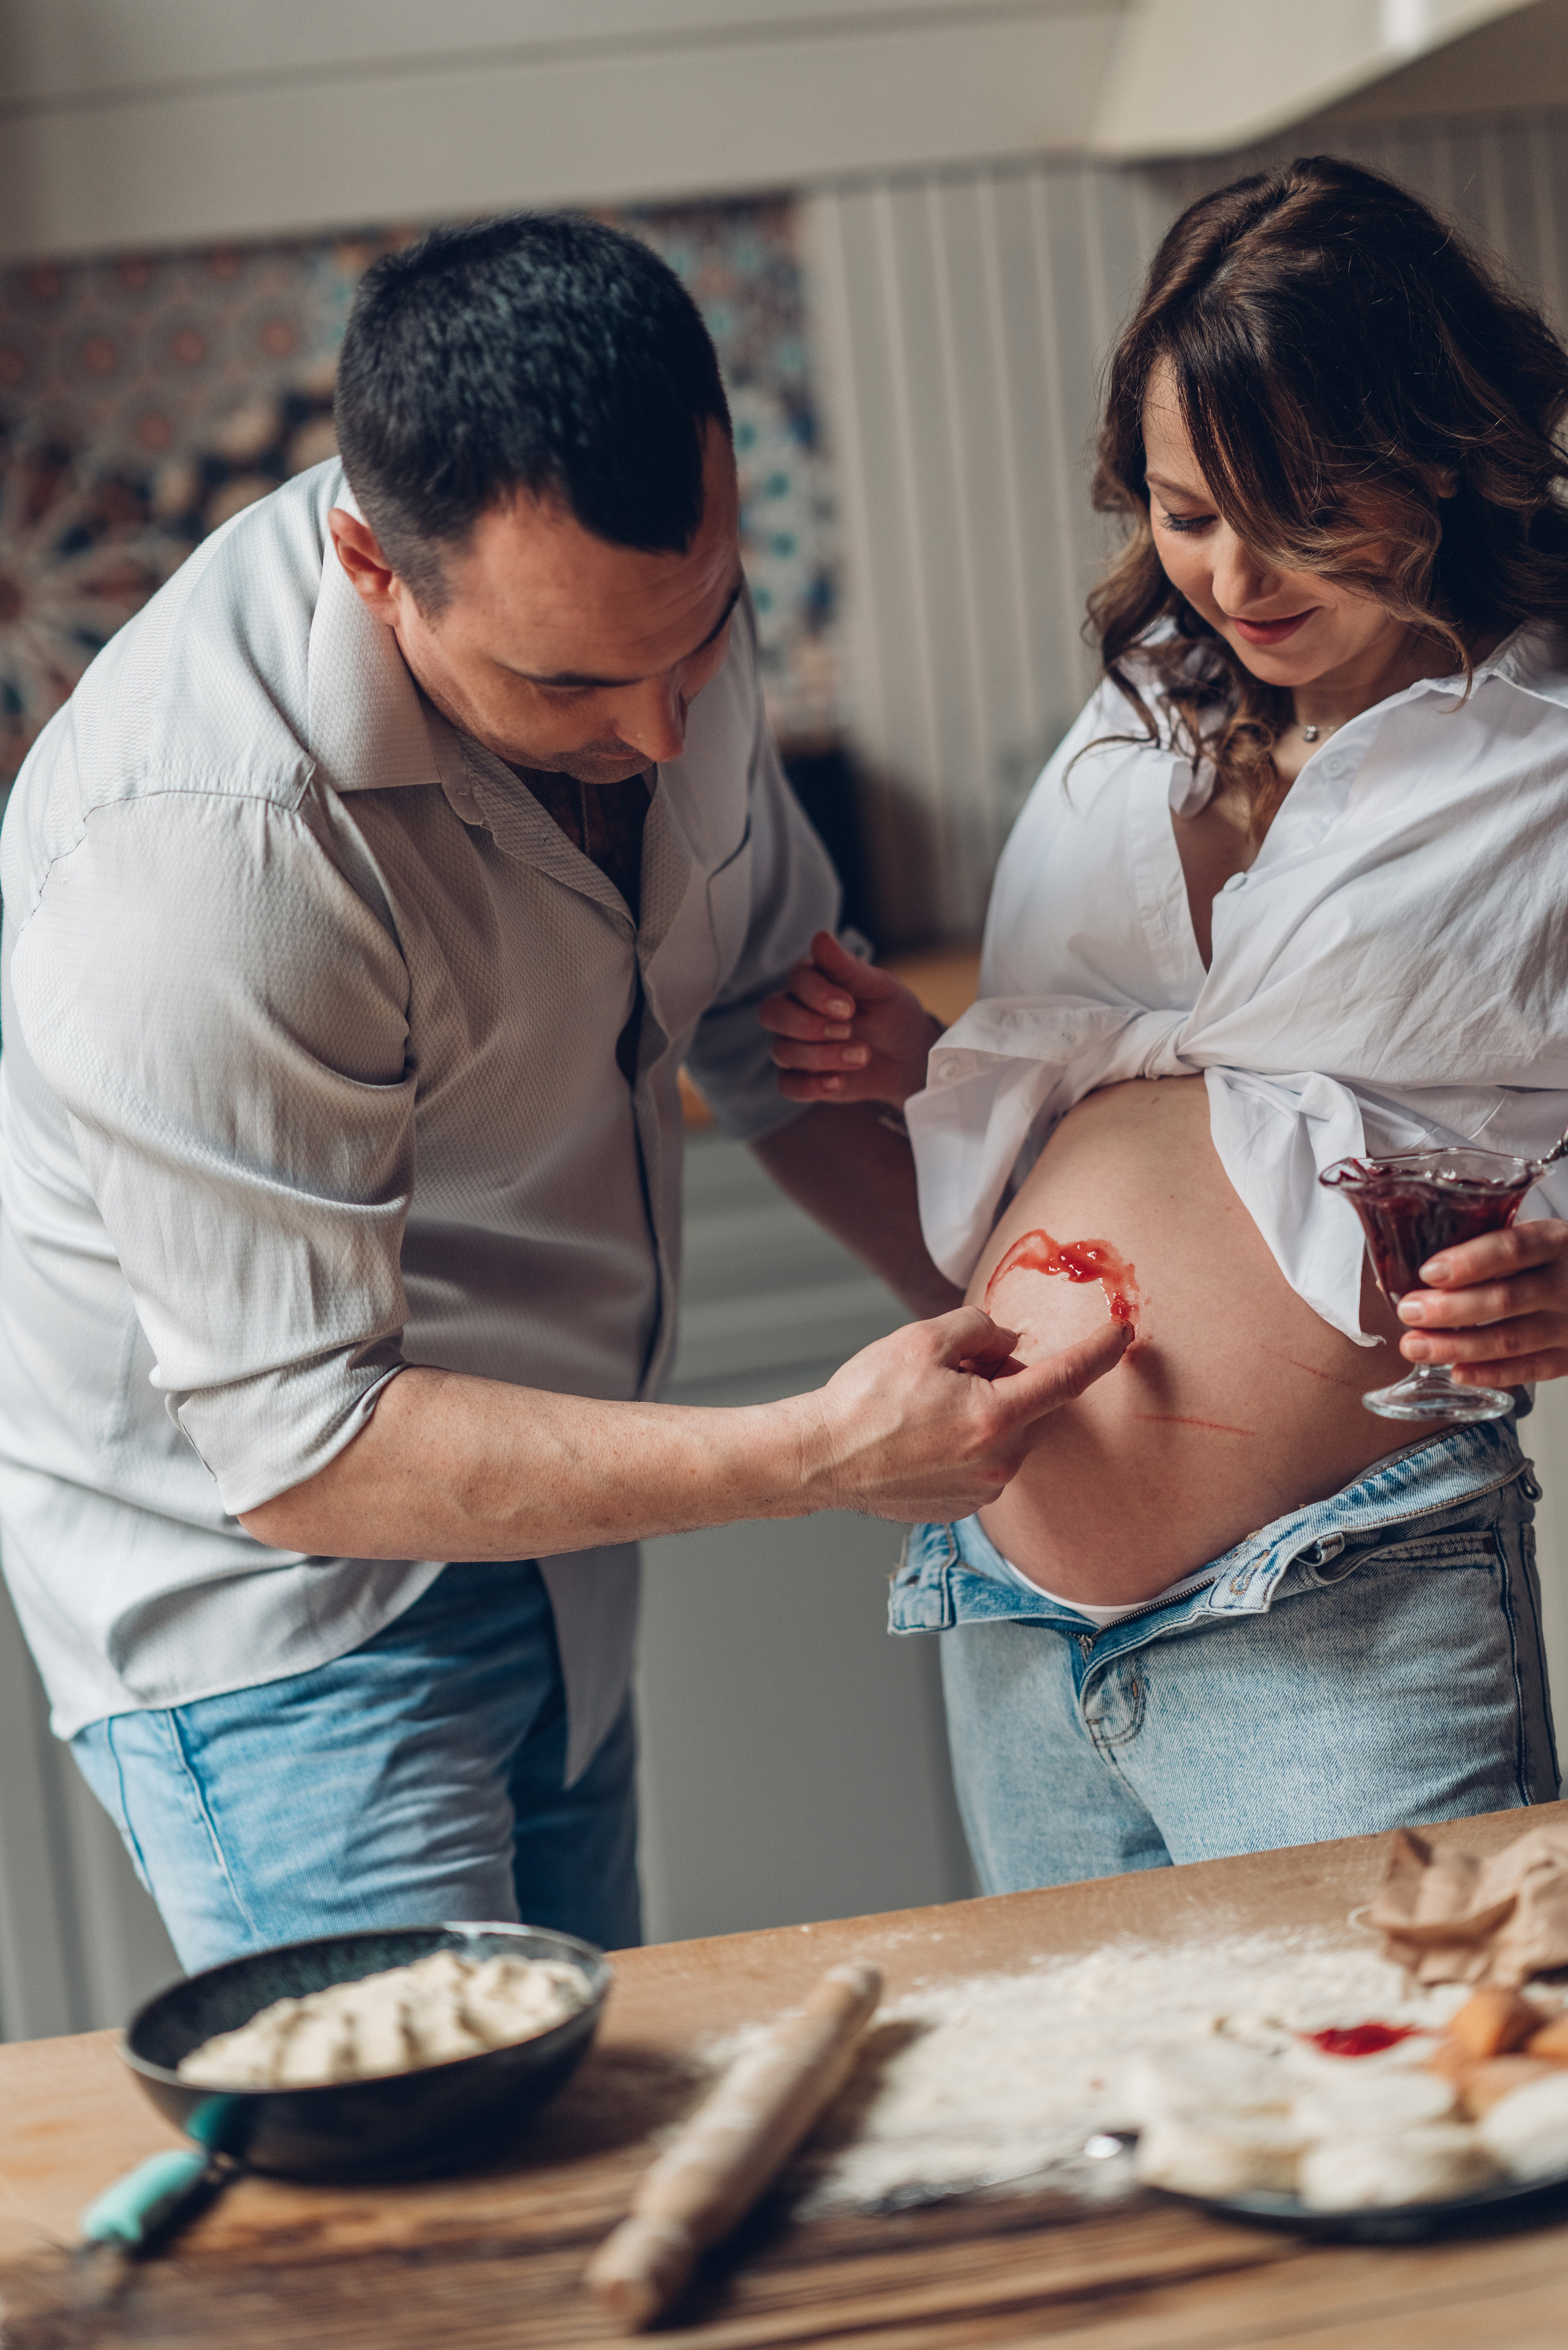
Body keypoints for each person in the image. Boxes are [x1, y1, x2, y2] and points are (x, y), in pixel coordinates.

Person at [0, 216, 1126, 1972]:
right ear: (376, 569)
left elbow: (769, 1010)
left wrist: (1015, 1322)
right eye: (574, 685)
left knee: (579, 2093)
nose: (669, 730)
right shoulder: (202, 861)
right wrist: (828, 1451)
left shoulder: (650, 626)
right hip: (279, 1617)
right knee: (435, 2179)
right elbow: (306, 1456)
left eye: (700, 642)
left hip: (549, 1525)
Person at [762, 156, 1568, 1894]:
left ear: (1440, 443)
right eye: (1188, 508)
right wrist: (952, 1065)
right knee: (1101, 2145)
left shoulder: (1546, 752)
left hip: (1333, 1602)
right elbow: (1144, 1051)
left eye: (1300, 509)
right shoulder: (1151, 698)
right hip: (1000, 1607)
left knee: (1423, 2131)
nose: (1233, 571)